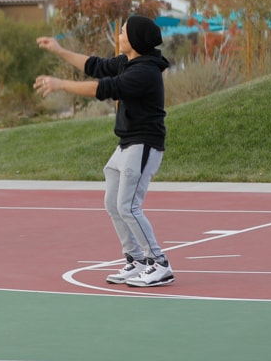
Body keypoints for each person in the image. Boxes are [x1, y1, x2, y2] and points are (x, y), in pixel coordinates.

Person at [34, 14, 173, 288]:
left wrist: (61, 84)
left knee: (128, 206)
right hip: (126, 143)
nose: (119, 35)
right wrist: (59, 50)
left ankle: (159, 264)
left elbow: (104, 88)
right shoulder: (128, 63)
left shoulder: (144, 72)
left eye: (122, 32)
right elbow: (95, 67)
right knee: (113, 203)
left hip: (144, 143)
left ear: (134, 39)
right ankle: (136, 260)